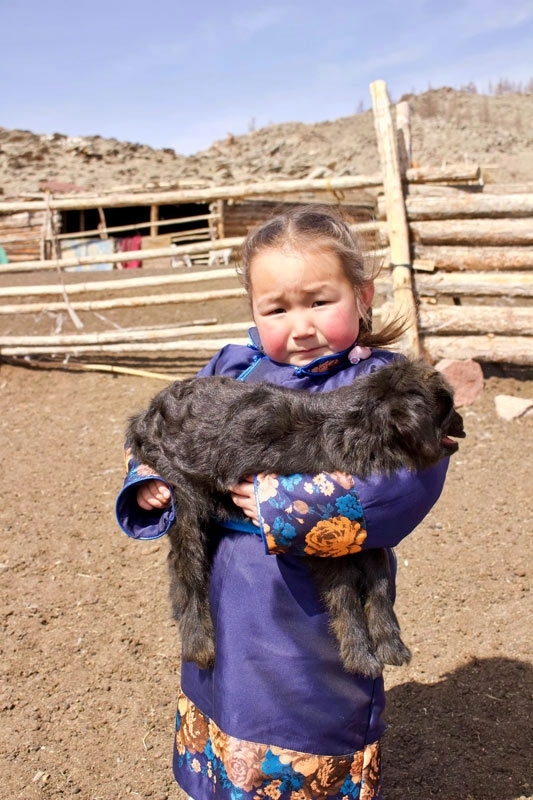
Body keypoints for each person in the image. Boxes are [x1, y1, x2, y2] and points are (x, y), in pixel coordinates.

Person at [116, 205, 449, 800]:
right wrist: (152, 479)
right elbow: (169, 429)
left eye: (320, 301)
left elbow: (404, 482)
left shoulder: (386, 388)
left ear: (363, 294)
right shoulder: (234, 370)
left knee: (308, 704)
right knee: (225, 690)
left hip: (317, 603)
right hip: (227, 590)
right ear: (253, 311)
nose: (300, 326)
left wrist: (281, 500)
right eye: (276, 309)